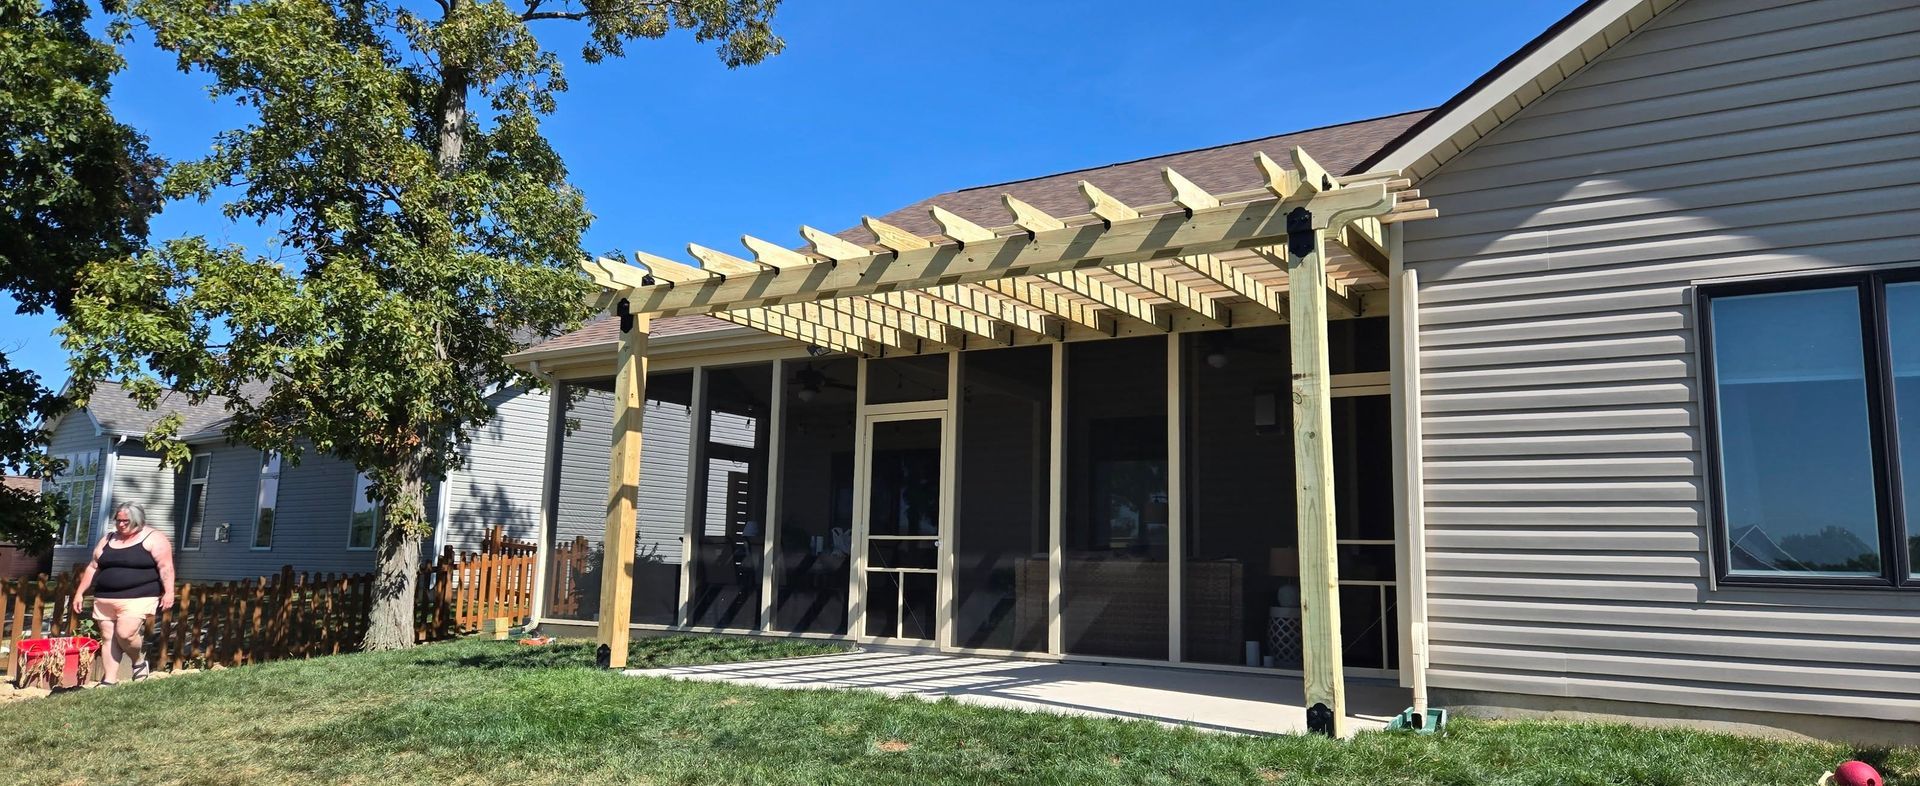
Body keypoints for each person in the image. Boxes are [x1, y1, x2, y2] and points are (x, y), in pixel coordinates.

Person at [70, 502, 175, 685]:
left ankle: (138, 662)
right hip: (105, 597)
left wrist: (169, 592)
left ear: (138, 520)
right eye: (118, 520)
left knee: (125, 634)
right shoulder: (108, 539)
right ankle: (109, 680)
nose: (121, 525)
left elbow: (165, 567)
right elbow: (93, 567)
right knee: (108, 637)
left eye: (125, 521)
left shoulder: (154, 538)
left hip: (139, 596)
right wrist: (80, 593)